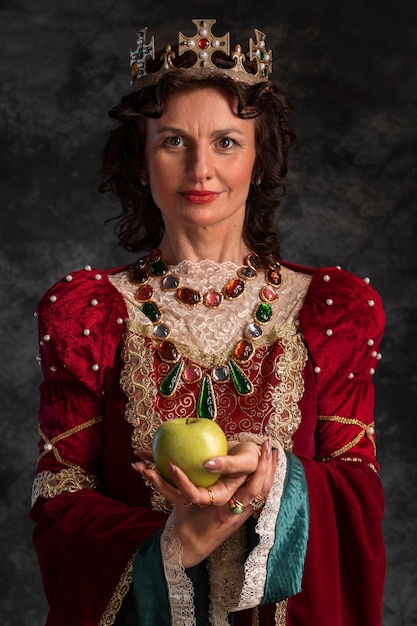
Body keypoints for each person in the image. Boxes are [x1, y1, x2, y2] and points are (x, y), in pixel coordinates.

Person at [30, 18, 386, 626]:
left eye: (226, 141)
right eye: (173, 141)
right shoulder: (87, 313)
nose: (201, 169)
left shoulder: (334, 310)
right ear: (141, 161)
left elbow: (359, 490)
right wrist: (172, 543)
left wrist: (276, 481)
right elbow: (57, 498)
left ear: (258, 157)